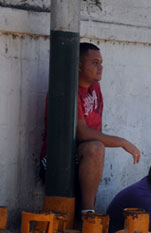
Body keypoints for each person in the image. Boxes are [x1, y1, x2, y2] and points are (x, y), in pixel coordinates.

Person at [40, 42, 141, 214]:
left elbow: (96, 129)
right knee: (95, 147)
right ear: (79, 66)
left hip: (82, 155)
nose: (100, 67)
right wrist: (123, 142)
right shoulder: (66, 90)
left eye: (101, 63)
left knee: (97, 148)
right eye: (95, 63)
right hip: (56, 160)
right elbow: (82, 132)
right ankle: (88, 213)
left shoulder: (94, 87)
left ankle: (86, 212)